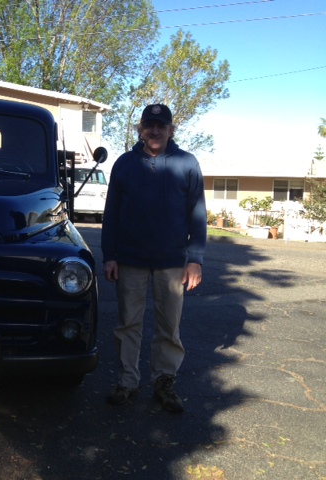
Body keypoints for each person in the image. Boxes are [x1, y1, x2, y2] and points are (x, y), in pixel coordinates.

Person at [100, 104, 207, 413]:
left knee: (168, 327)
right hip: (130, 259)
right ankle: (127, 381)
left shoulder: (187, 163)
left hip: (172, 261)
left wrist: (195, 258)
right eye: (149, 125)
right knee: (128, 324)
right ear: (141, 129)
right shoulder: (124, 164)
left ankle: (164, 381)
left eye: (161, 125)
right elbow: (111, 216)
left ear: (171, 129)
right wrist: (110, 256)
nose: (155, 130)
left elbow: (197, 214)